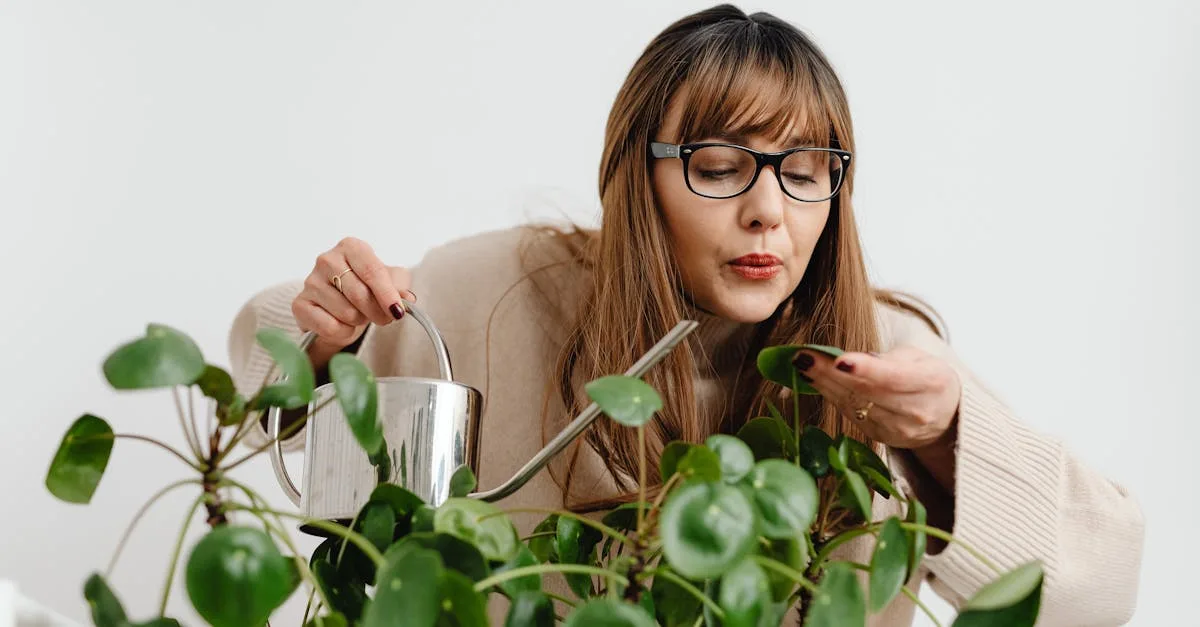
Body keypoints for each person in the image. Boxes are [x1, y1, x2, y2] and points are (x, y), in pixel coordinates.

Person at [227, 5, 1144, 625]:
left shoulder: (881, 356)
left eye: (807, 167)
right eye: (718, 164)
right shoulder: (496, 289)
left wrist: (946, 437)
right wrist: (321, 333)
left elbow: (1098, 589)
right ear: (641, 171)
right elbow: (265, 390)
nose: (768, 212)